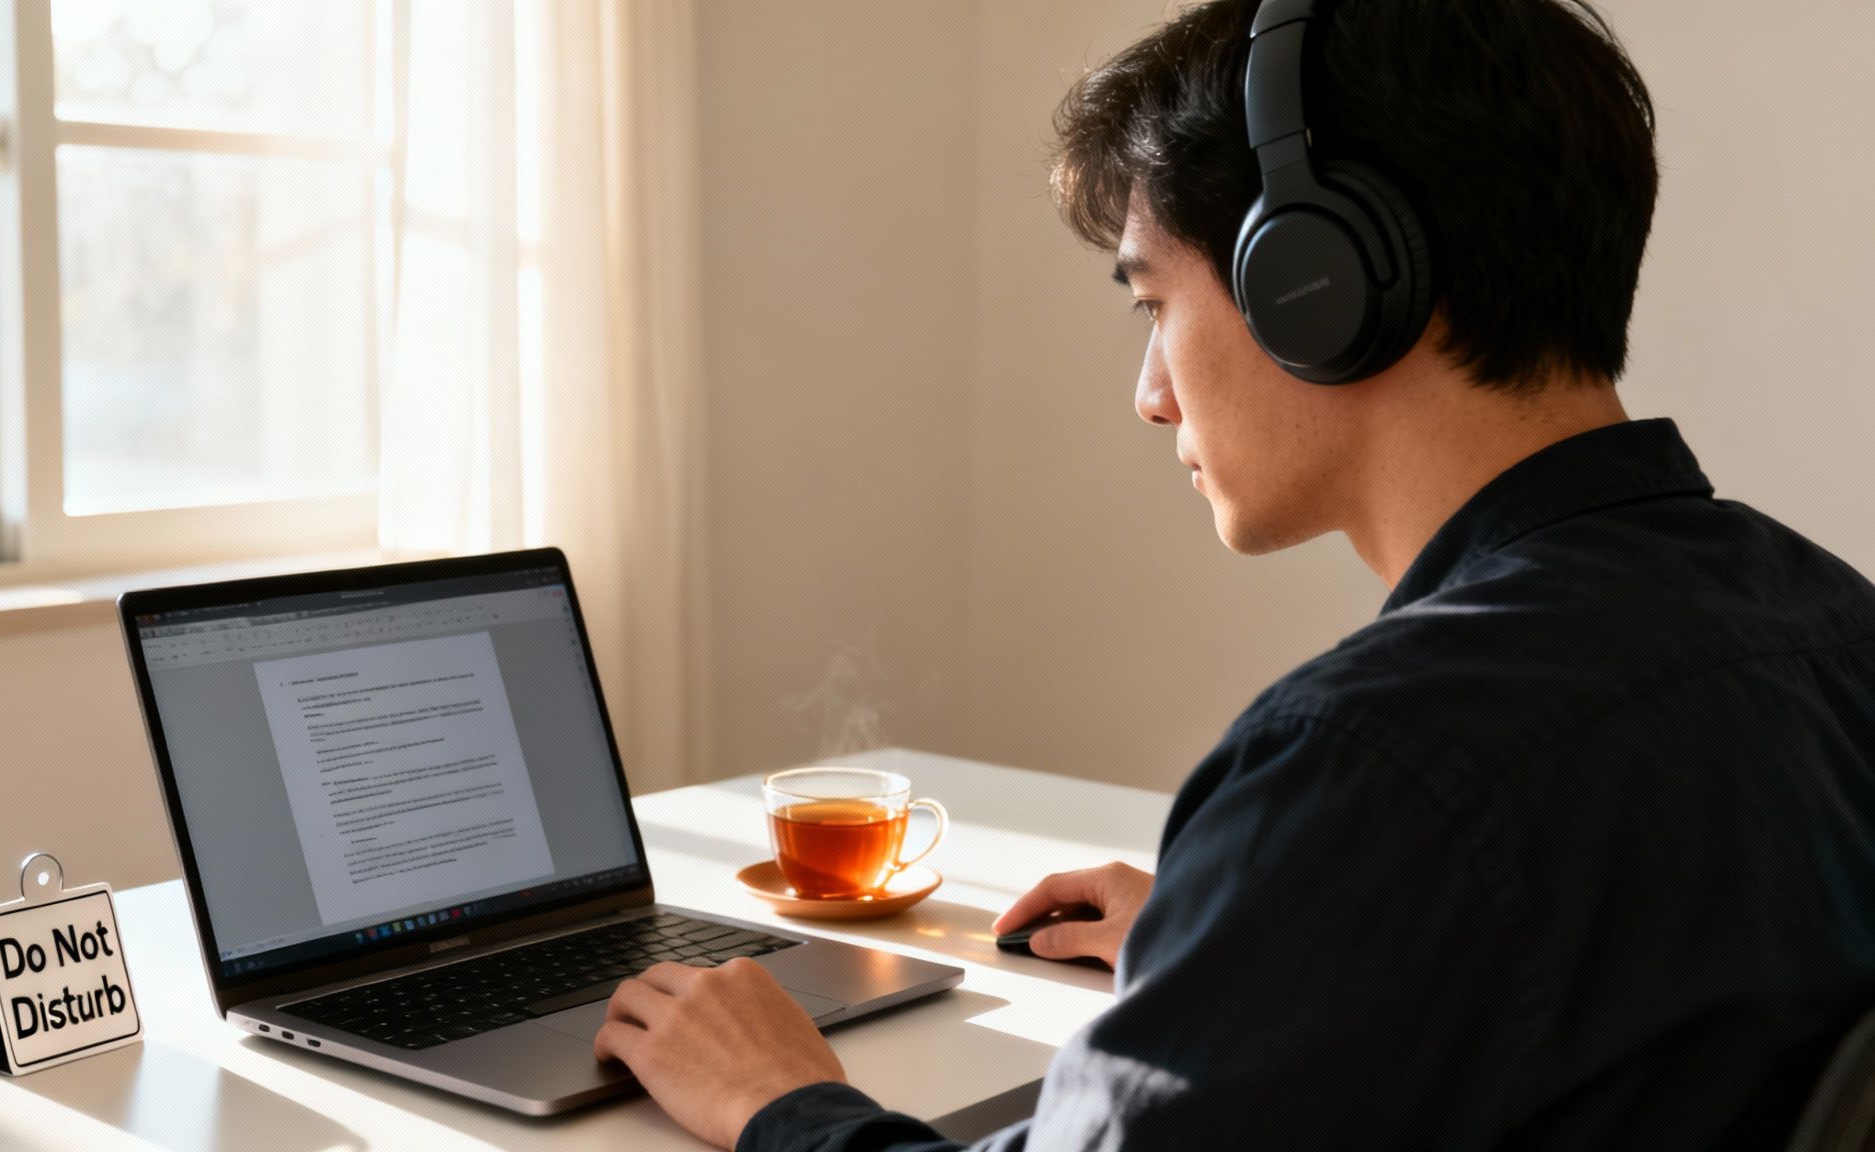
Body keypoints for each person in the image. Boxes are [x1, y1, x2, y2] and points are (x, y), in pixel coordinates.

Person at [588, 0, 1875, 1147]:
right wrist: (1268, 939)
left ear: (1318, 283)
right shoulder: (1827, 625)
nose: (1148, 398)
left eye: (1152, 304)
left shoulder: (1369, 765)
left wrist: (781, 1106)